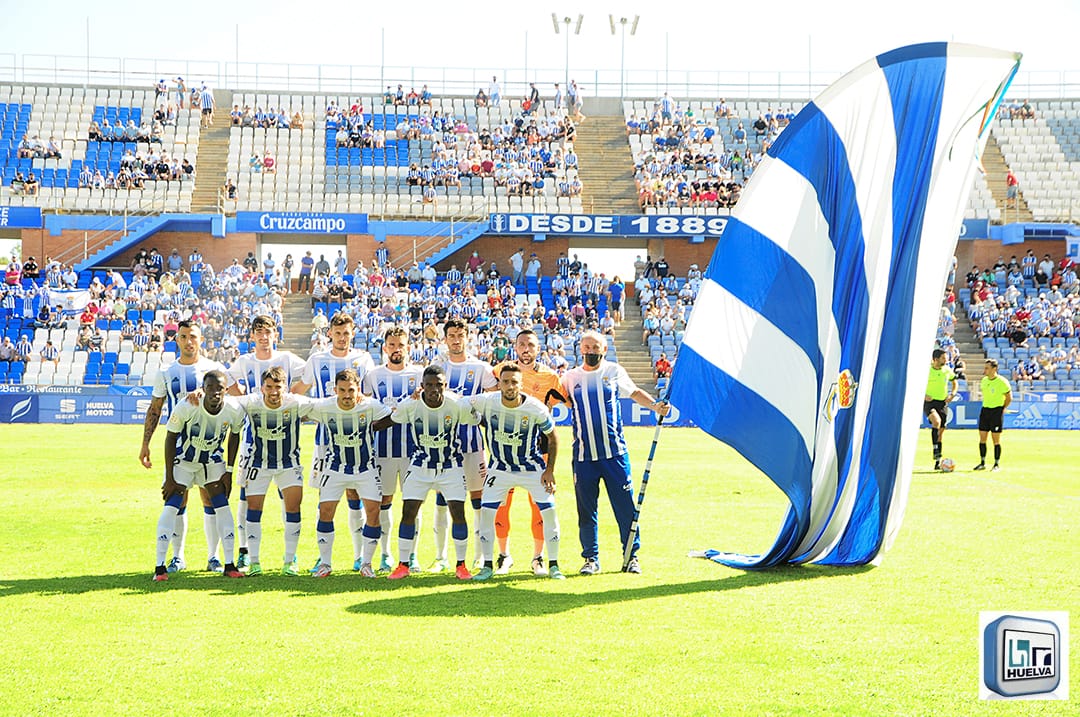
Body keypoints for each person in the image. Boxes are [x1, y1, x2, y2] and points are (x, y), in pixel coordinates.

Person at [561, 331, 669, 574]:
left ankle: (631, 556)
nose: (590, 351)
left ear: (604, 349)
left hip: (615, 455)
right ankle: (591, 558)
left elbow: (634, 392)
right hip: (583, 458)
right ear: (581, 349)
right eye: (586, 346)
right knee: (587, 510)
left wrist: (654, 406)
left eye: (595, 347)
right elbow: (558, 399)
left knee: (625, 508)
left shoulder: (613, 371)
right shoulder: (570, 377)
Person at [139, 321, 233, 574]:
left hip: (211, 448)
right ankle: (177, 557)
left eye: (193, 336)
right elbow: (155, 408)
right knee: (177, 499)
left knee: (210, 498)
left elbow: (232, 400)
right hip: (178, 450)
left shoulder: (214, 369)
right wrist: (145, 443)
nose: (188, 341)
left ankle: (213, 556)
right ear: (177, 340)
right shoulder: (166, 372)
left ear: (201, 339)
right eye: (183, 337)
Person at [291, 313, 375, 572]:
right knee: (325, 498)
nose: (341, 338)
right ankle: (323, 557)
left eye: (346, 333)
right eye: (337, 333)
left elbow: (370, 395)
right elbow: (299, 391)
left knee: (356, 496)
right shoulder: (317, 359)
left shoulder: (364, 359)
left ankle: (360, 555)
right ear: (330, 334)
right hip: (325, 442)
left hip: (359, 441)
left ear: (353, 333)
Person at [384, 365, 479, 581]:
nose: (434, 389)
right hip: (419, 466)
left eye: (439, 385)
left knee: (457, 512)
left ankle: (461, 565)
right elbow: (391, 420)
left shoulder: (457, 404)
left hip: (450, 466)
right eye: (429, 385)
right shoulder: (411, 405)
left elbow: (477, 419)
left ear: (445, 386)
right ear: (422, 386)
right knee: (408, 512)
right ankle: (403, 565)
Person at [470, 364, 564, 581]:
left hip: (532, 469)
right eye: (506, 381)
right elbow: (463, 404)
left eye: (514, 382)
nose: (510, 386)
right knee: (487, 513)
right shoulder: (488, 401)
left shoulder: (535, 408)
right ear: (500, 384)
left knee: (548, 511)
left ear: (521, 385)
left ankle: (553, 565)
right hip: (500, 468)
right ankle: (487, 565)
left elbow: (553, 437)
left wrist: (549, 471)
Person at [227, 315, 306, 567]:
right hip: (253, 443)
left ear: (275, 334)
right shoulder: (245, 361)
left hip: (286, 442)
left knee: (289, 499)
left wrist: (291, 398)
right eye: (258, 332)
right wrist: (248, 398)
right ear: (251, 336)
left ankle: (290, 558)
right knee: (246, 499)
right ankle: (244, 550)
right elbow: (227, 380)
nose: (263, 336)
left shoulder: (288, 359)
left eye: (268, 332)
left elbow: (310, 376)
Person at [154, 371, 245, 582]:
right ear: (203, 390)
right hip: (184, 462)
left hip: (211, 463)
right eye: (210, 388)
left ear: (225, 390)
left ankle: (229, 564)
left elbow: (234, 436)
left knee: (222, 506)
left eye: (219, 388)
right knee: (172, 505)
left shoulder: (233, 410)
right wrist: (169, 478)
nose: (215, 392)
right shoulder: (188, 406)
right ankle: (160, 568)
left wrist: (229, 472)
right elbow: (170, 438)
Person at [493, 329, 568, 575]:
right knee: (501, 505)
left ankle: (538, 558)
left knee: (540, 506)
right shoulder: (500, 371)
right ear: (515, 347)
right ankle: (504, 556)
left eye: (531, 345)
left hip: (538, 453)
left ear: (538, 349)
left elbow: (568, 403)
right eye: (522, 344)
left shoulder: (550, 377)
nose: (526, 348)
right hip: (505, 452)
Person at [305, 369, 392, 577]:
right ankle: (325, 564)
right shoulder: (324, 407)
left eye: (351, 390)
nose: (346, 395)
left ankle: (366, 564)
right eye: (342, 390)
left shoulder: (370, 406)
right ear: (335, 390)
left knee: (373, 512)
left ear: (358, 390)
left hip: (365, 468)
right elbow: (300, 408)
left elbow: (392, 415)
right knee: (325, 511)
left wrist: (373, 428)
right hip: (334, 468)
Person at [231, 366, 315, 575]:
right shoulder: (251, 402)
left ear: (285, 387)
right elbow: (223, 401)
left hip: (289, 464)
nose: (274, 391)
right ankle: (255, 561)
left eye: (278, 387)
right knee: (254, 510)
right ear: (262, 387)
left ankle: (289, 561)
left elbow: (325, 406)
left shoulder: (296, 403)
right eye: (269, 387)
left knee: (293, 509)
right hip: (258, 464)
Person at [428, 318, 497, 572]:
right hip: (442, 447)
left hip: (472, 444)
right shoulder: (437, 368)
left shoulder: (480, 368)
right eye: (452, 336)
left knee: (477, 499)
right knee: (442, 499)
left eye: (460, 335)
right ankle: (441, 557)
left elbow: (492, 400)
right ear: (445, 338)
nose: (456, 340)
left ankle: (479, 555)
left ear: (467, 337)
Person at [363, 326, 424, 572]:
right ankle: (386, 555)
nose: (396, 349)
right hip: (382, 451)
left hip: (413, 452)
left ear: (408, 347)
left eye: (401, 345)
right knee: (383, 502)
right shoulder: (373, 376)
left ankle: (411, 556)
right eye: (392, 345)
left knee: (413, 503)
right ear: (384, 347)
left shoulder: (420, 375)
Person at [924, 348, 958, 471]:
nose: (946, 360)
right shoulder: (926, 370)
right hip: (929, 402)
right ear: (935, 359)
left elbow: (954, 382)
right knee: (936, 422)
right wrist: (923, 395)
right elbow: (915, 383)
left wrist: (952, 394)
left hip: (942, 403)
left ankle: (938, 462)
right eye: (943, 358)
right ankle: (935, 449)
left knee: (940, 433)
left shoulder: (947, 370)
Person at [974, 359, 1011, 472]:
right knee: (982, 438)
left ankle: (996, 464)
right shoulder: (984, 381)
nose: (985, 370)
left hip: (996, 411)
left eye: (987, 368)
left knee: (996, 440)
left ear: (994, 369)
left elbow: (1009, 398)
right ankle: (982, 462)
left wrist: (1002, 408)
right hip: (985, 411)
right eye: (985, 368)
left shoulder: (1002, 382)